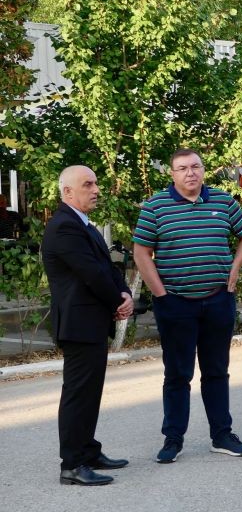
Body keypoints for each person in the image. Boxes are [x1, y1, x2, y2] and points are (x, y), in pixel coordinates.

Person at [133, 148, 242, 463]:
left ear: (203, 170)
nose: (190, 173)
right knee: (177, 375)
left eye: (196, 166)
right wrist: (161, 294)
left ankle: (222, 435)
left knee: (217, 371)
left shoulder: (223, 202)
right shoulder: (156, 206)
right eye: (182, 168)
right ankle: (173, 439)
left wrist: (234, 269)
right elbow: (141, 253)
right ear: (172, 174)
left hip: (218, 300)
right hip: (175, 303)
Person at [42, 166, 133, 486]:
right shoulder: (64, 227)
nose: (96, 189)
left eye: (96, 183)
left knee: (90, 392)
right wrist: (117, 302)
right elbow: (91, 273)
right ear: (67, 192)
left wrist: (124, 292)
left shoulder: (83, 224)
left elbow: (106, 267)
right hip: (78, 324)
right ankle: (72, 464)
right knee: (78, 394)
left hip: (91, 323)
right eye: (88, 184)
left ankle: (88, 451)